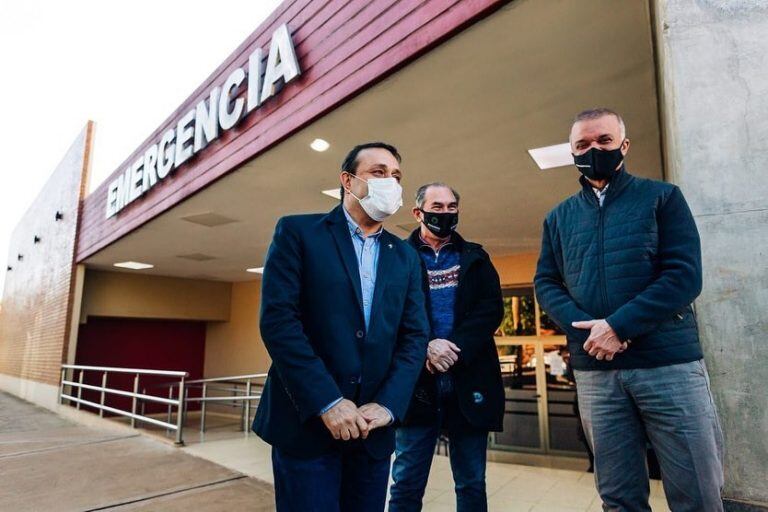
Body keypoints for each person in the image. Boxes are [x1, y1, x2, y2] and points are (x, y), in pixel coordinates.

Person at [534, 108, 724, 511]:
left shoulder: (662, 198)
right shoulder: (558, 218)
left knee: (697, 495)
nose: (593, 150)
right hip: (597, 374)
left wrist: (618, 326)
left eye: (603, 141)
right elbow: (546, 284)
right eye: (582, 144)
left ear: (624, 145)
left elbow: (684, 277)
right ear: (572, 153)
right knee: (618, 499)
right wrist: (590, 332)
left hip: (668, 368)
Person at [252, 142, 430, 512]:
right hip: (307, 429)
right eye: (379, 172)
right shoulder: (298, 233)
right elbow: (279, 322)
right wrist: (327, 401)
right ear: (348, 181)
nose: (390, 182)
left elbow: (414, 337)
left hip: (373, 432)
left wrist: (389, 405)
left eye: (396, 176)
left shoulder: (406, 256)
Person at [389, 183, 504, 512]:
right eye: (436, 207)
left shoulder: (477, 257)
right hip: (416, 387)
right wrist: (426, 347)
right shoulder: (396, 258)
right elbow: (388, 315)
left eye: (451, 207)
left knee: (471, 483)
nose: (445, 213)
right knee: (407, 483)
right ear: (417, 212)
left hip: (468, 384)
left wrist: (453, 346)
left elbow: (490, 311)